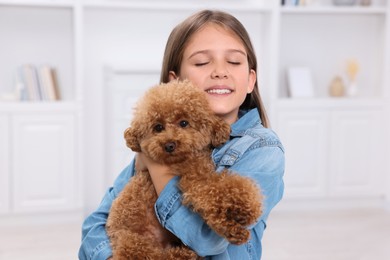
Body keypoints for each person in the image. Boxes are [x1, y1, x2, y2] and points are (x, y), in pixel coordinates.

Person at [79, 9, 284, 260]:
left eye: (233, 61)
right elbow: (98, 222)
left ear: (251, 80)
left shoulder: (262, 148)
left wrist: (157, 166)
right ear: (175, 81)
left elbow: (209, 241)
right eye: (201, 62)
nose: (220, 71)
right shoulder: (152, 138)